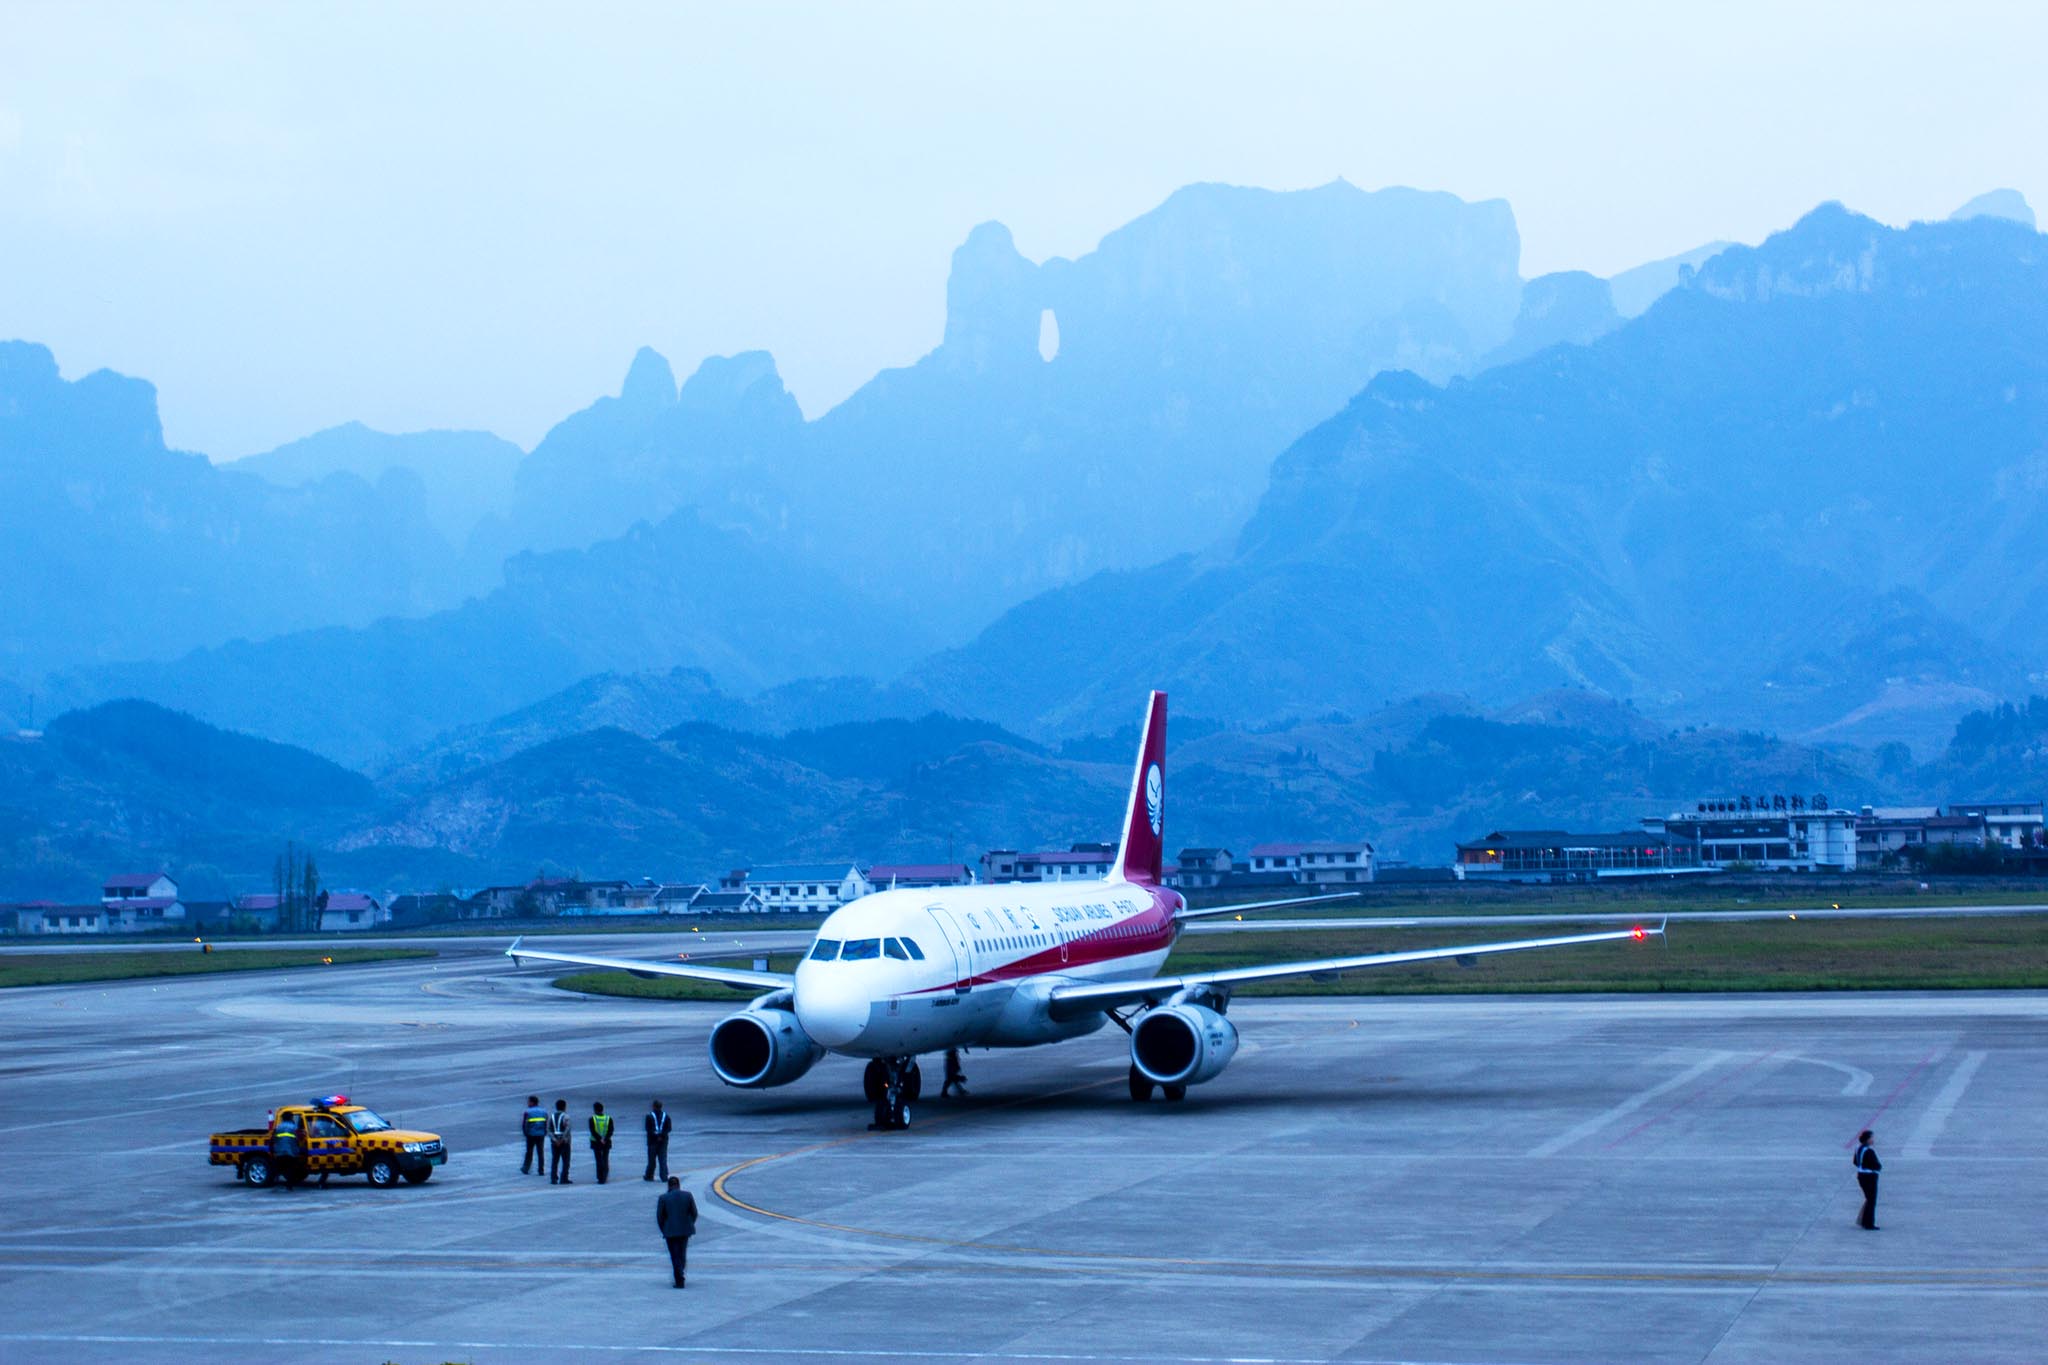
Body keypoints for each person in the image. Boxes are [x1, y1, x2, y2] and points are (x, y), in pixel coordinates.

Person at [655, 1175, 698, 1288]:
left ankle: (679, 1277)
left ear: (669, 1186)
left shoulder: (663, 1198)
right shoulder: (688, 1195)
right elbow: (694, 1213)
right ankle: (680, 1272)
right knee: (682, 1253)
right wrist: (689, 1224)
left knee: (674, 1254)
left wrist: (664, 1229)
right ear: (678, 1185)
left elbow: (660, 1217)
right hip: (684, 1230)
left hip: (670, 1231)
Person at [1853, 1128, 1882, 1230]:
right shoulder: (1869, 1151)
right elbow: (1876, 1164)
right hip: (1870, 1177)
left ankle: (1865, 1220)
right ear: (1867, 1139)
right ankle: (1869, 1223)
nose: (1873, 1140)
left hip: (1861, 1175)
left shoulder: (1858, 1149)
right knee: (1871, 1200)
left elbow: (1855, 1162)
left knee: (1868, 1198)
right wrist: (1877, 1168)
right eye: (1871, 1138)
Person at [644, 1099, 672, 1181]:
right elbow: (669, 1128)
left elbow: (648, 1129)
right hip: (663, 1141)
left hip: (652, 1141)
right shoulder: (666, 1116)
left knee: (652, 1160)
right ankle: (664, 1176)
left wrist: (656, 1135)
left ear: (653, 1107)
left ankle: (649, 1175)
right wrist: (662, 1135)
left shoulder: (649, 1116)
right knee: (662, 1159)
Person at [548, 1098, 574, 1184]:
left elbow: (549, 1129)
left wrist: (554, 1139)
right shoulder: (566, 1116)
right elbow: (567, 1129)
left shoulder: (551, 1117)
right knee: (566, 1161)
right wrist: (562, 1139)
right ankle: (564, 1178)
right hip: (565, 1142)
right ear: (564, 1107)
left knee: (555, 1160)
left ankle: (553, 1178)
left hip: (554, 1142)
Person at [588, 1101, 615, 1184]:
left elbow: (592, 1131)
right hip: (606, 1142)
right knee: (605, 1159)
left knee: (598, 1160)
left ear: (595, 1110)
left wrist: (600, 1139)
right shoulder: (608, 1118)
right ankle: (604, 1176)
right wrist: (605, 1139)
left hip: (596, 1142)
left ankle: (600, 1177)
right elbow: (611, 1130)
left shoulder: (592, 1119)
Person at [520, 1095, 548, 1176]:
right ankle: (541, 1170)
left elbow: (524, 1124)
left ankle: (526, 1168)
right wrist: (544, 1131)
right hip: (540, 1134)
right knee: (540, 1152)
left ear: (532, 1102)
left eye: (528, 1102)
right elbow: (546, 1122)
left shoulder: (528, 1112)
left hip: (531, 1134)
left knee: (529, 1152)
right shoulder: (544, 1111)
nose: (527, 1103)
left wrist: (525, 1133)